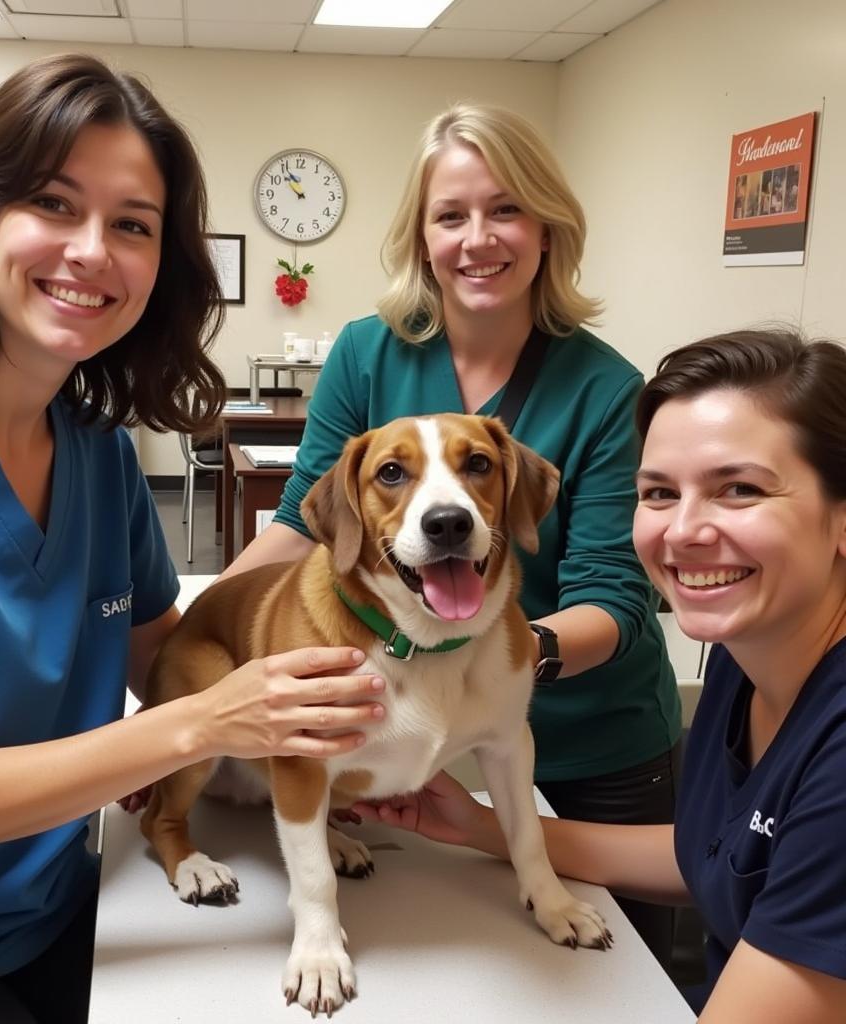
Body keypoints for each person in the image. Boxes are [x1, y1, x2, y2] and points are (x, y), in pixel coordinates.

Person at [0, 54, 384, 1024]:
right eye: (53, 202)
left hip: (64, 898)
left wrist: (328, 729)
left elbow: (167, 655)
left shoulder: (96, 447)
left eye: (132, 224)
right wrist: (207, 725)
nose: (92, 251)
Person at [221, 103, 682, 963]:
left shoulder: (606, 389)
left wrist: (492, 657)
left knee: (624, 963)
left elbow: (614, 598)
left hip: (589, 734)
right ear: (421, 235)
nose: (479, 238)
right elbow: (301, 527)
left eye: (506, 208)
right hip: (404, 712)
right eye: (451, 215)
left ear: (548, 229)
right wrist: (191, 668)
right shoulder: (367, 352)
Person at [351, 328, 846, 1022]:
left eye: (740, 489)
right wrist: (480, 827)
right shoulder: (751, 656)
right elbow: (720, 857)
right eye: (659, 493)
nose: (685, 532)